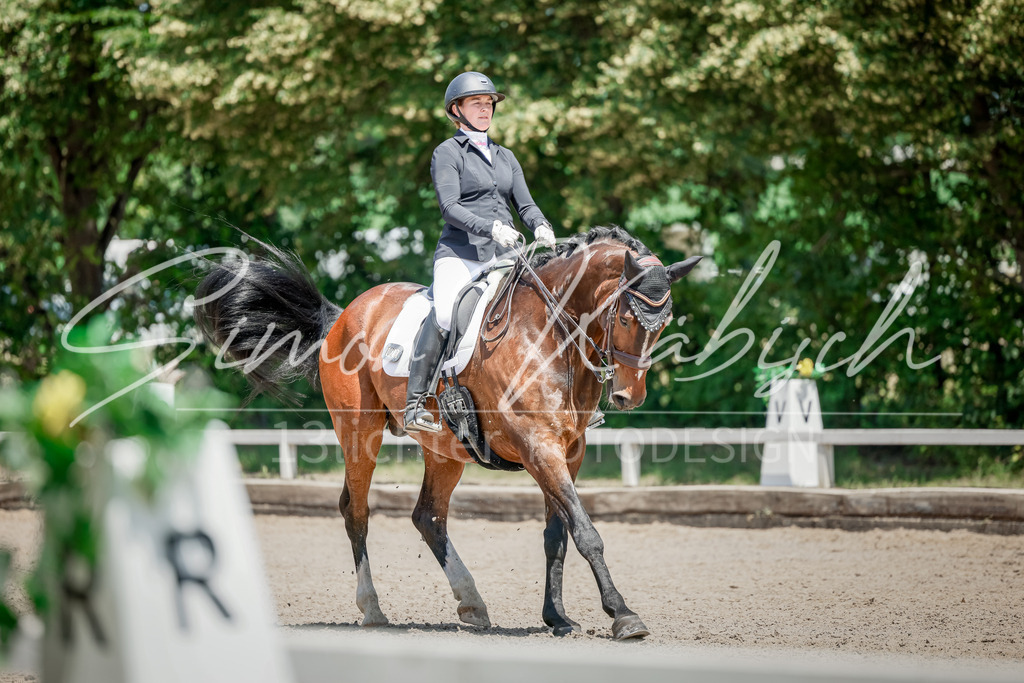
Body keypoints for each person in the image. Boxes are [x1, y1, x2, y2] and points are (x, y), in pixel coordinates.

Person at [404, 71, 556, 433]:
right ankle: (414, 403)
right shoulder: (448, 153)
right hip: (461, 254)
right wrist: (491, 228)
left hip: (506, 258)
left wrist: (541, 225)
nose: (485, 109)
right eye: (477, 103)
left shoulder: (506, 157)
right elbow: (450, 207)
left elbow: (526, 205)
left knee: (546, 308)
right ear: (456, 109)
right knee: (444, 314)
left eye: (488, 103)